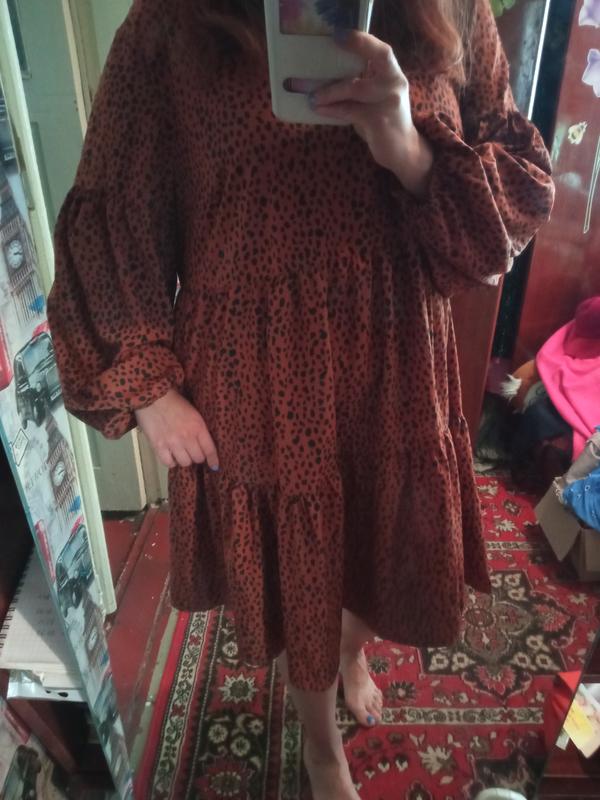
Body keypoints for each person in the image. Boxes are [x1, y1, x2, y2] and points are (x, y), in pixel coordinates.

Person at [46, 0, 554, 797]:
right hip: (256, 371)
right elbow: (114, 204)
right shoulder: (171, 22)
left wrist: (407, 145)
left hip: (394, 356)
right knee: (299, 576)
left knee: (384, 546)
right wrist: (148, 389)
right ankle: (321, 745)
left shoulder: (454, 11)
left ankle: (350, 652)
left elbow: (509, 199)